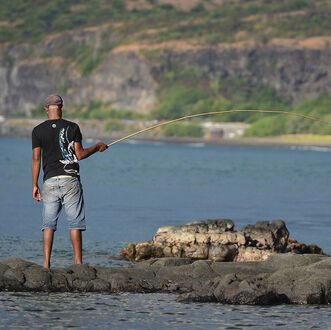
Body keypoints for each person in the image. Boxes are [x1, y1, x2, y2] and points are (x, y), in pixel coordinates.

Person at [31, 94, 108, 268]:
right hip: (70, 180)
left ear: (45, 109)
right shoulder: (72, 127)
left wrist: (35, 184)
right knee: (75, 223)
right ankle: (78, 263)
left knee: (48, 224)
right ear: (62, 107)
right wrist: (97, 147)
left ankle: (45, 265)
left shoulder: (37, 131)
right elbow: (79, 155)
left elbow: (36, 159)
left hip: (49, 181)